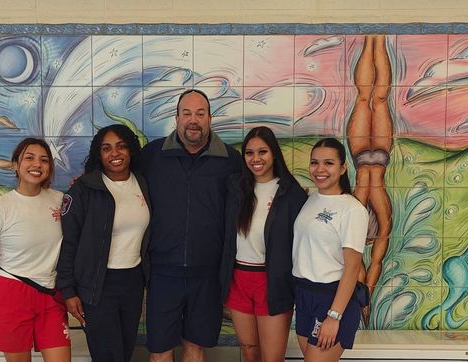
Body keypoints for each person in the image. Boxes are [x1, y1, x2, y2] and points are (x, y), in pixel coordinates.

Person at [141, 89, 242, 362]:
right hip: (163, 273)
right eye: (187, 113)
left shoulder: (231, 160)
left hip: (207, 275)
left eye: (200, 113)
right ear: (176, 118)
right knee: (159, 351)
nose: (193, 120)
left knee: (195, 348)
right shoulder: (152, 155)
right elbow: (119, 180)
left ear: (210, 118)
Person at [0, 138, 70, 362]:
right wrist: (8, 266)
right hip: (13, 294)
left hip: (50, 294)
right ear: (16, 165)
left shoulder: (60, 201)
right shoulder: (0, 209)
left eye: (44, 160)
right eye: (29, 158)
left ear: (49, 168)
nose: (37, 164)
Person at [57, 124, 150, 362]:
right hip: (97, 286)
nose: (114, 154)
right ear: (99, 154)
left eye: (121, 147)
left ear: (131, 151)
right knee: (108, 355)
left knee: (125, 350)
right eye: (106, 148)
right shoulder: (84, 189)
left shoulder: (143, 183)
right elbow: (69, 243)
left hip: (132, 282)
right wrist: (68, 291)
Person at [219, 126, 307, 362]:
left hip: (272, 284)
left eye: (262, 152)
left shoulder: (291, 194)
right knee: (249, 353)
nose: (255, 159)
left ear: (274, 154)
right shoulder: (235, 188)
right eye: (249, 153)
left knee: (272, 358)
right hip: (238, 280)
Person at [292, 138, 369, 361]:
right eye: (314, 163)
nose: (320, 169)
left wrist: (334, 316)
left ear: (343, 168)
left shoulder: (352, 209)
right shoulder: (310, 199)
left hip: (332, 300)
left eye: (328, 163)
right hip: (305, 295)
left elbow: (353, 268)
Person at [347, 35, 395, 322]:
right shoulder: (374, 212)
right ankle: (375, 40)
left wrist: (365, 295)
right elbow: (370, 264)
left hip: (373, 157)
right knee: (373, 98)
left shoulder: (362, 209)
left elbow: (364, 265)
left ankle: (372, 40)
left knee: (372, 98)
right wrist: (366, 298)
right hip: (368, 156)